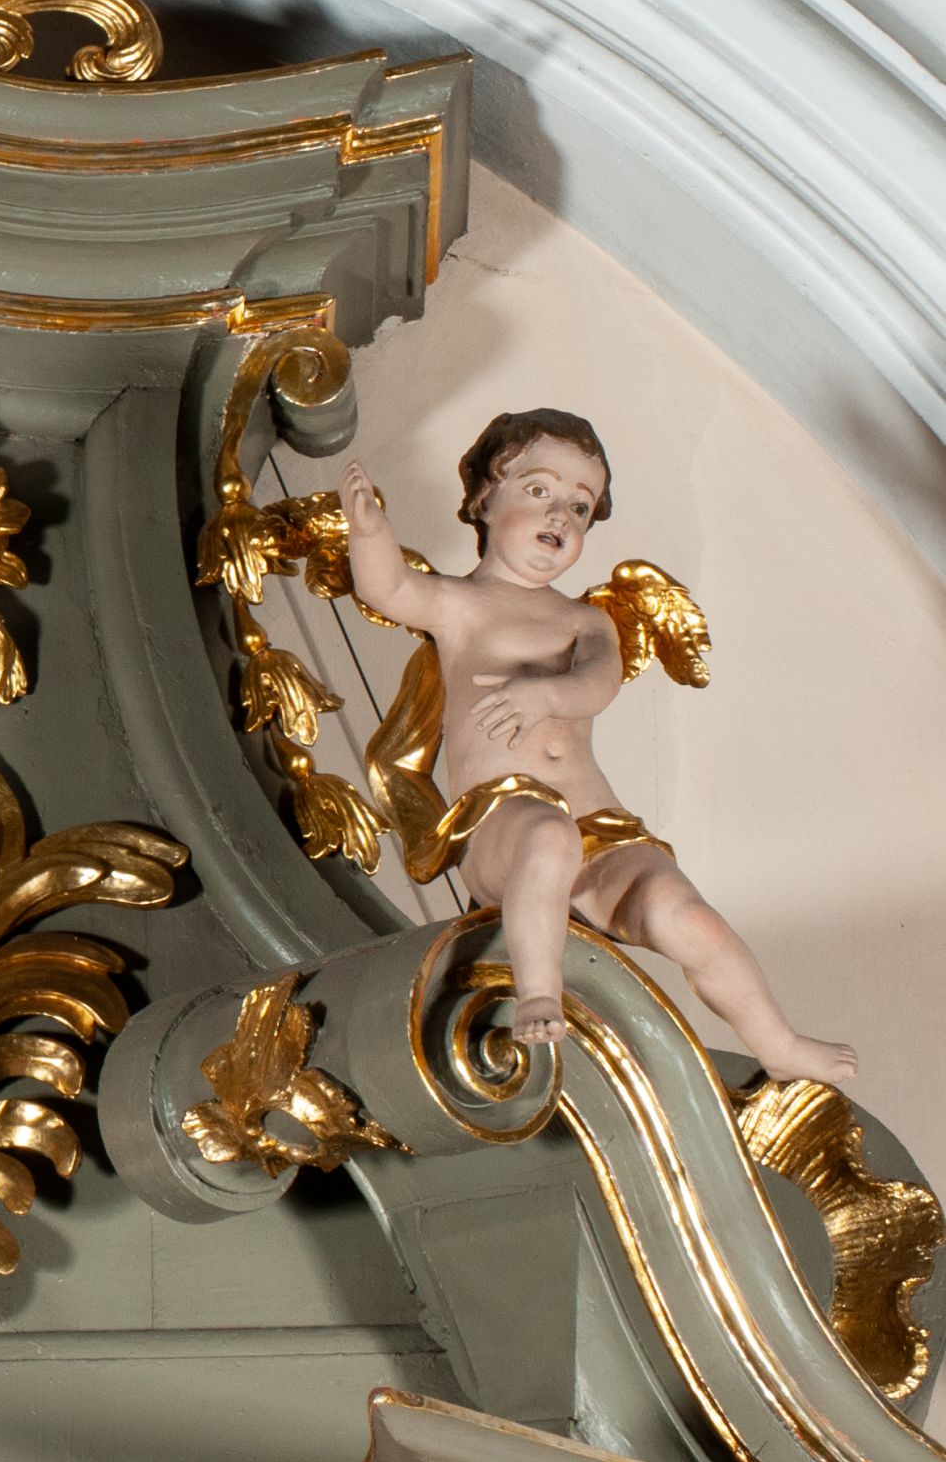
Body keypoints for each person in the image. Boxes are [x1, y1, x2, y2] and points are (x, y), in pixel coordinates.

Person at [340, 410, 855, 1082]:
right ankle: (539, 992)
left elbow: (599, 682)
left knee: (684, 915)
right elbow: (388, 587)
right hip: (504, 822)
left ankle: (777, 1043)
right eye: (539, 490)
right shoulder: (458, 606)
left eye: (580, 506)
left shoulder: (585, 619)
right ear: (484, 499)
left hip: (602, 826)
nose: (561, 514)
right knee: (547, 837)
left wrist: (542, 696)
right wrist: (369, 529)